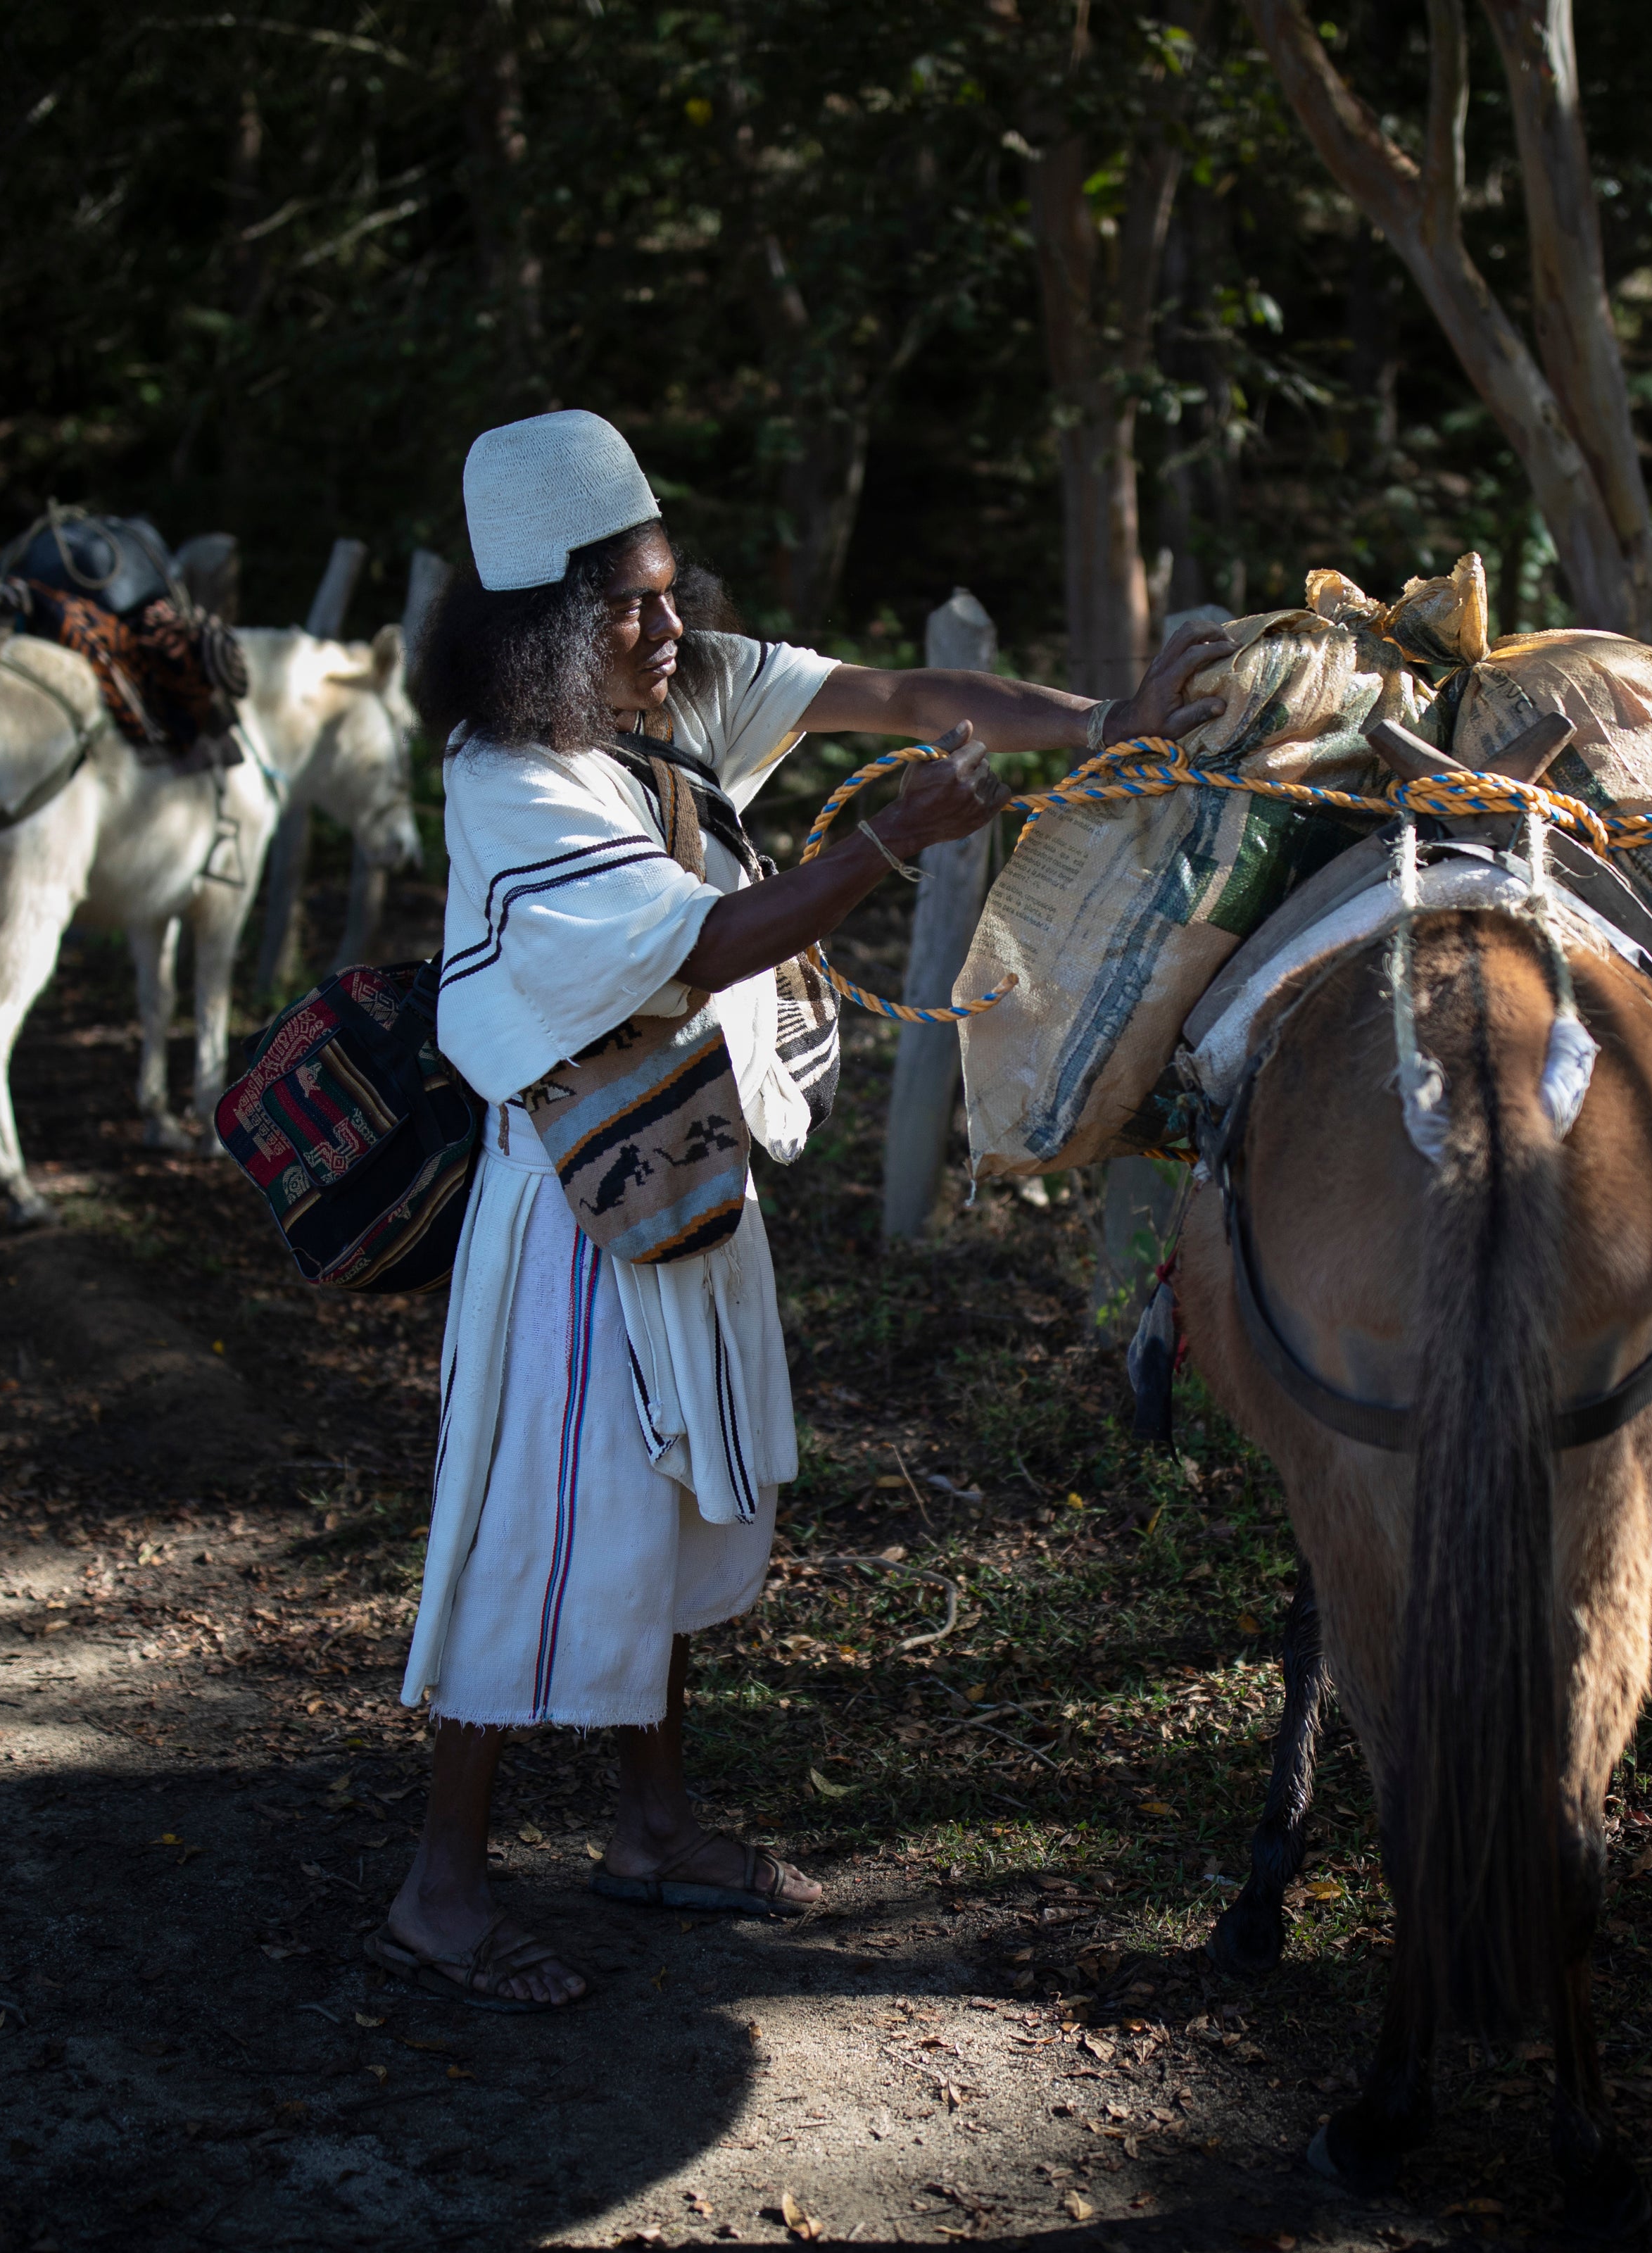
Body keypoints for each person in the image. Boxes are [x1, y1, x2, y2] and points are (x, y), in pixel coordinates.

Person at [374, 409, 1232, 2009]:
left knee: (674, 1499)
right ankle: (442, 1887)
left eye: (667, 589)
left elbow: (900, 695)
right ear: (543, 628)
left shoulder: (674, 687)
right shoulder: (512, 777)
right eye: (628, 606)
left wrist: (1106, 718)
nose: (668, 627)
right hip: (575, 1213)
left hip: (684, 1168)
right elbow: (702, 945)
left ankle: (651, 1828)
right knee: (534, 1528)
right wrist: (892, 842)